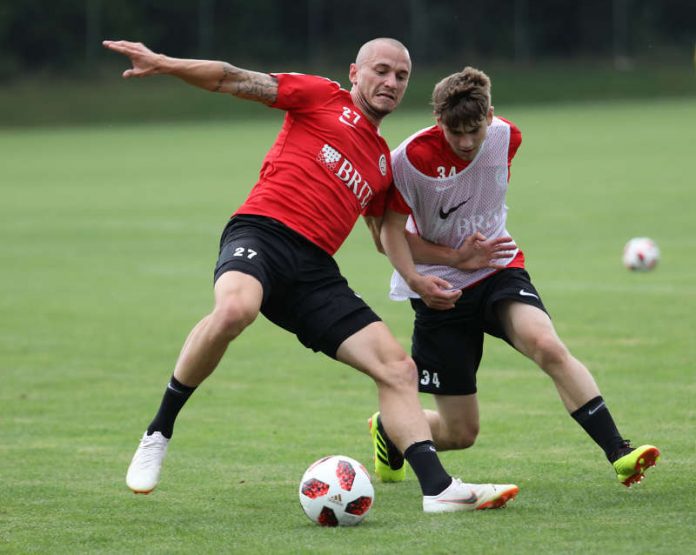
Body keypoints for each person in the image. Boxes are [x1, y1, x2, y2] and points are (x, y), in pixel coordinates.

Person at [102, 39, 520, 513]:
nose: (391, 83)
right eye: (381, 71)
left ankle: (438, 491)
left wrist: (435, 269)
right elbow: (231, 78)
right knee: (237, 308)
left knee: (398, 368)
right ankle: (158, 431)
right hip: (262, 234)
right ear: (355, 73)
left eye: (401, 76)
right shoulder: (321, 96)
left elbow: (387, 236)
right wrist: (164, 63)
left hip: (314, 271)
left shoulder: (383, 163)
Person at [368, 66, 660, 488]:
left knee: (547, 344)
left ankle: (620, 452)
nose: (467, 143)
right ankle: (391, 432)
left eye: (475, 130)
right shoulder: (410, 160)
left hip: (498, 269)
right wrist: (424, 277)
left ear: (491, 116)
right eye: (455, 133)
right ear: (438, 123)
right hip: (438, 288)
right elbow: (387, 236)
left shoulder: (508, 138)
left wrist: (476, 254)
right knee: (460, 434)